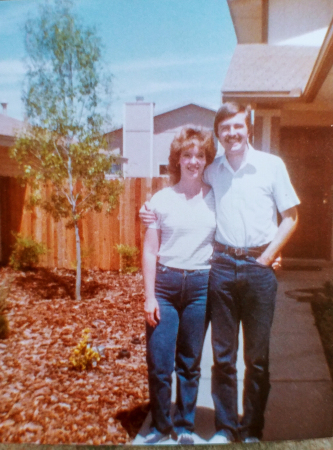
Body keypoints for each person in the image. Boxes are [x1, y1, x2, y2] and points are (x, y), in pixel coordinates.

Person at [140, 102, 299, 444]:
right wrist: (147, 210)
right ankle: (226, 428)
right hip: (222, 269)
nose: (232, 133)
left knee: (257, 357)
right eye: (225, 128)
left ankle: (252, 429)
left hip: (259, 269)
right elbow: (182, 189)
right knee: (223, 356)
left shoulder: (272, 166)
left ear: (248, 127)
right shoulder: (213, 170)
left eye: (237, 126)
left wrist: (271, 255)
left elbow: (291, 216)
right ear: (219, 133)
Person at [142, 127, 216, 445]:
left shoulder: (217, 197)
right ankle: (161, 425)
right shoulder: (160, 200)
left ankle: (185, 425)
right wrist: (149, 296)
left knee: (190, 362)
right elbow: (149, 250)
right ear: (177, 159)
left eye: (199, 155)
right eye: (187, 155)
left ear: (206, 160)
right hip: (166, 286)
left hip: (201, 286)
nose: (193, 161)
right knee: (160, 363)